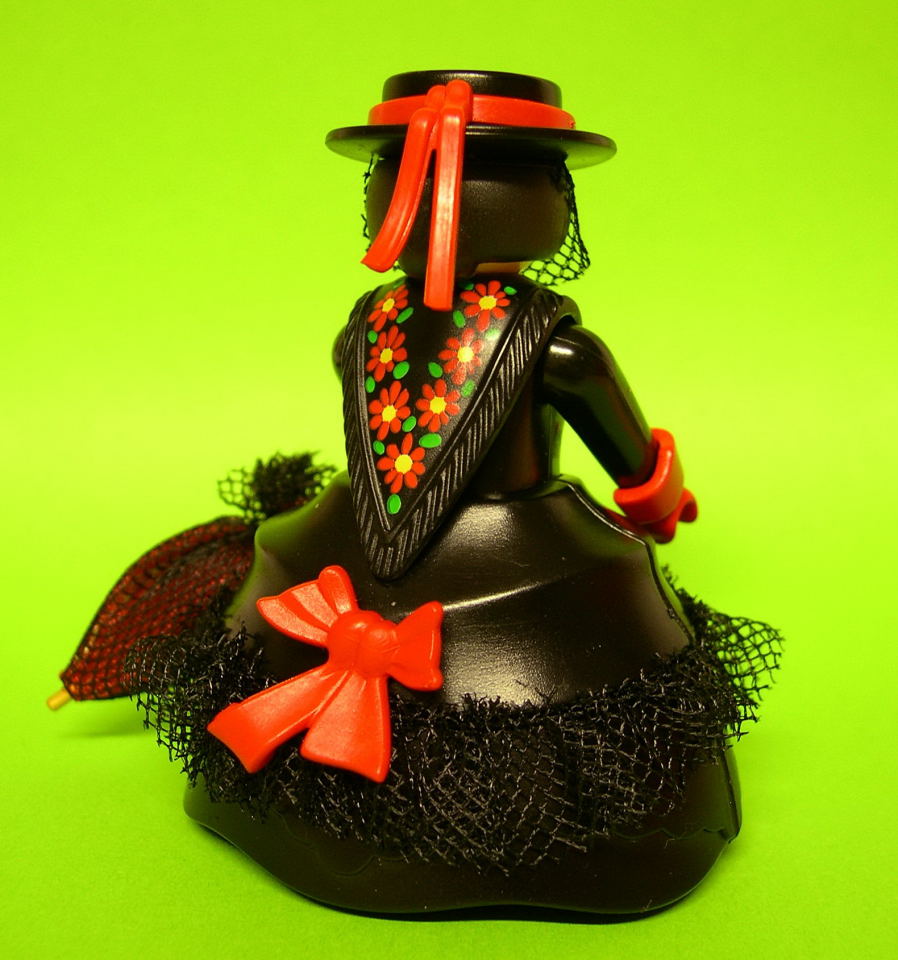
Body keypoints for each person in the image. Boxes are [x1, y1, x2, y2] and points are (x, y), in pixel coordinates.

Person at [57, 71, 780, 915]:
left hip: (352, 544)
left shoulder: (365, 327)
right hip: (514, 541)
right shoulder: (557, 348)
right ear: (539, 205)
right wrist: (656, 499)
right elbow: (630, 455)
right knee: (579, 637)